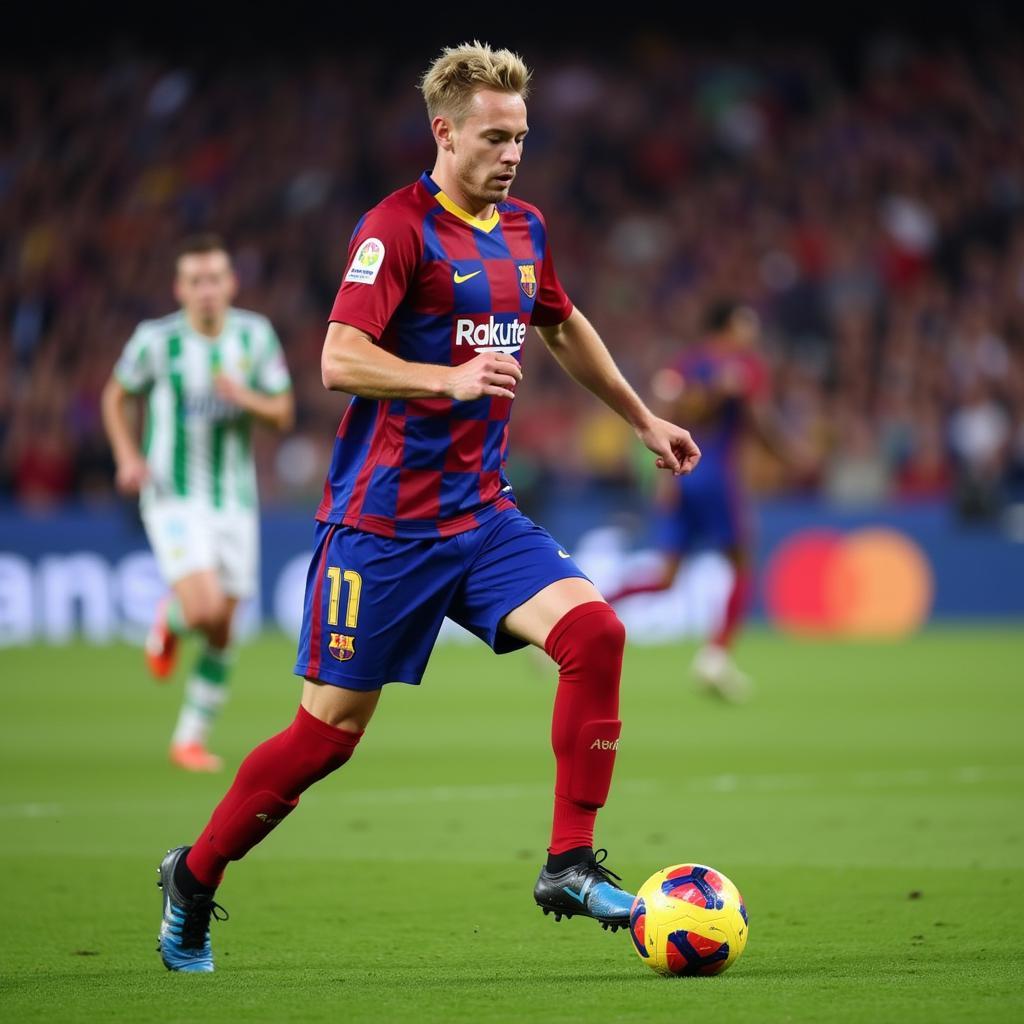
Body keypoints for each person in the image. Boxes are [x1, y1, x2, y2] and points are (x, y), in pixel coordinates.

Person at [154, 41, 699, 973]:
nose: (512, 153)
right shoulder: (395, 229)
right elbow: (337, 357)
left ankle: (567, 862)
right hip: (382, 532)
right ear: (444, 133)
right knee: (325, 740)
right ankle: (195, 875)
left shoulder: (524, 227)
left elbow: (560, 323)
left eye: (521, 136)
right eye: (494, 137)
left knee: (596, 635)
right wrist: (442, 379)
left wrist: (643, 416)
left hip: (481, 518)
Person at [102, 235, 294, 771]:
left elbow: (282, 413)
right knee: (205, 608)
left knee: (224, 627)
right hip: (172, 496)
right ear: (179, 289)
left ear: (230, 284)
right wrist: (126, 457)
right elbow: (115, 396)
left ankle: (189, 737)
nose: (206, 290)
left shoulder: (254, 337)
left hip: (235, 501)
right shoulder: (155, 342)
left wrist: (244, 397)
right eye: (196, 281)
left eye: (215, 279)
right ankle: (170, 616)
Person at [611, 299, 791, 701]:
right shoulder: (743, 367)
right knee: (743, 563)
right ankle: (715, 658)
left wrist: (657, 478)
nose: (752, 333)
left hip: (676, 476)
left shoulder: (682, 365)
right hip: (713, 474)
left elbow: (660, 412)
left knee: (665, 577)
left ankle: (581, 612)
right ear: (727, 327)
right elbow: (759, 420)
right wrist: (788, 455)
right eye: (747, 324)